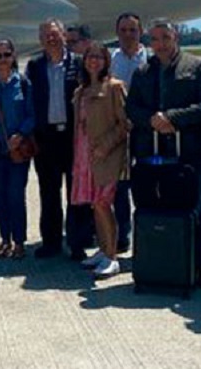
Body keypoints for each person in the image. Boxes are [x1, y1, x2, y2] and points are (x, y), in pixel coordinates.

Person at [125, 20, 201, 287]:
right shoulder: (143, 72)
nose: (161, 44)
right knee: (153, 207)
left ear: (175, 37)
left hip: (187, 152)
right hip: (151, 152)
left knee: (194, 207)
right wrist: (152, 120)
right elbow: (132, 108)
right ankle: (160, 262)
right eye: (155, 39)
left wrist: (173, 118)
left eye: (165, 37)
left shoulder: (197, 66)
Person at [25, 18, 88, 260]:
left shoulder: (79, 63)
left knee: (77, 194)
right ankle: (51, 242)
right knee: (49, 192)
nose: (50, 39)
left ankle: (77, 243)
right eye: (46, 35)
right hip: (46, 138)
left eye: (54, 34)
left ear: (63, 36)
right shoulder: (34, 66)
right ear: (40, 40)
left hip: (73, 137)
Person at [73, 42, 131, 278]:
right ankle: (103, 248)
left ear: (106, 61)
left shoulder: (114, 87)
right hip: (84, 155)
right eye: (90, 57)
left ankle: (112, 256)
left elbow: (125, 123)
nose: (93, 61)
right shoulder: (81, 91)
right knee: (94, 204)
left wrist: (105, 146)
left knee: (103, 203)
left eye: (99, 57)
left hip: (107, 155)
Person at [0, 38, 36, 259]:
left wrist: (20, 134)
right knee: (0, 196)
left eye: (6, 55)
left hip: (18, 150)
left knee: (16, 195)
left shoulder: (23, 84)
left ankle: (19, 241)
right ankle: (5, 240)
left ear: (13, 56)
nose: (3, 59)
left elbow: (32, 115)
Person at [109, 12, 147, 253]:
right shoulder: (111, 61)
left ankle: (146, 231)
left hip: (145, 131)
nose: (128, 35)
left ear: (140, 32)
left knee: (144, 183)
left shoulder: (150, 58)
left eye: (132, 30)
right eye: (123, 30)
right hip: (119, 131)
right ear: (117, 33)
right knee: (120, 187)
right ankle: (123, 233)